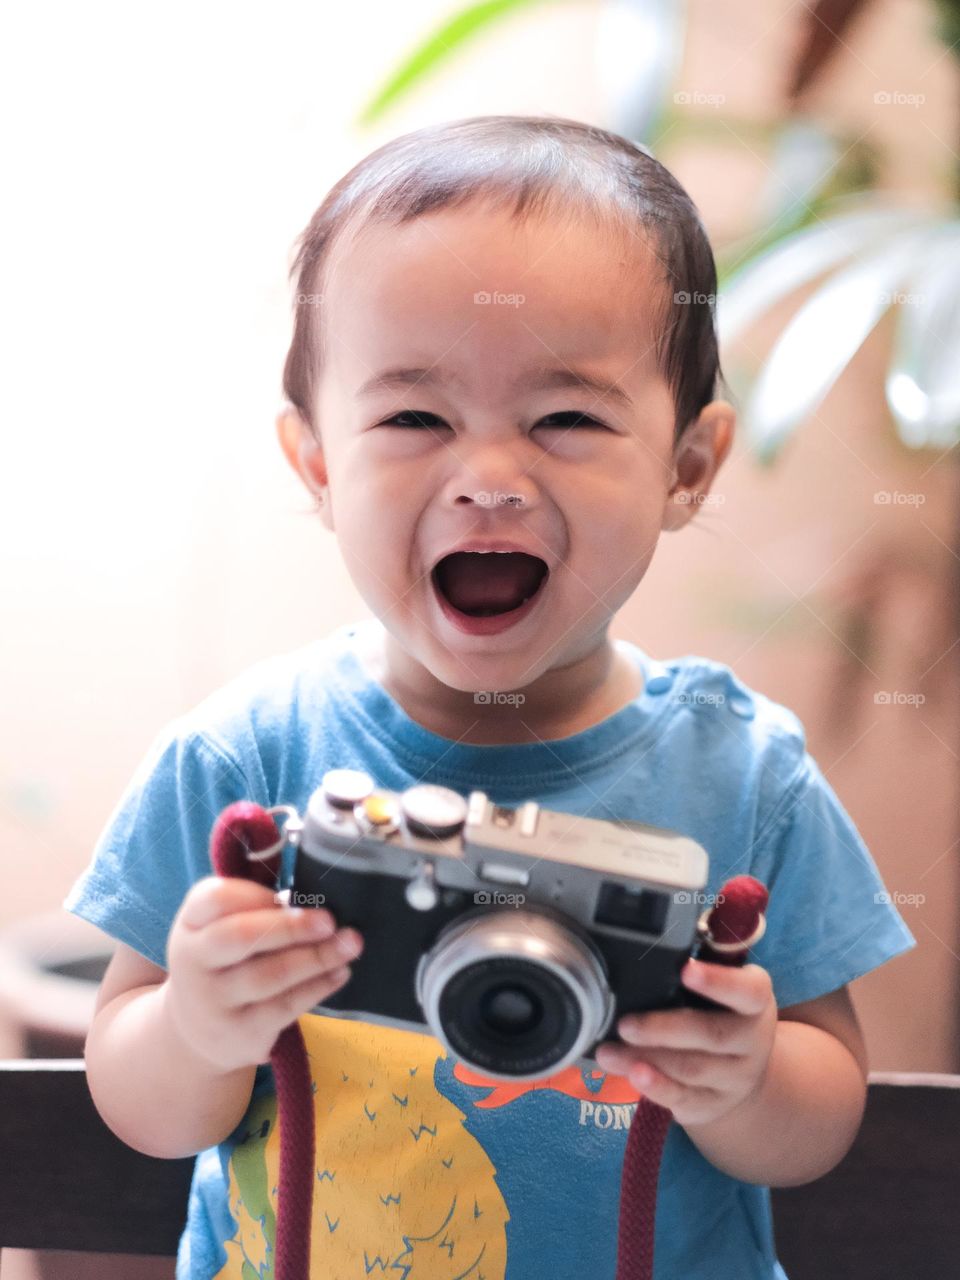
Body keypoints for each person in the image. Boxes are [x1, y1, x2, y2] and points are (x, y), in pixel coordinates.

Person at [65, 114, 916, 1280]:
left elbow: (818, 1120)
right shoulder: (244, 765)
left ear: (687, 466)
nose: (488, 481)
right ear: (318, 464)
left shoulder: (745, 778)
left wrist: (754, 1076)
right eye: (415, 417)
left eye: (565, 418)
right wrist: (198, 1028)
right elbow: (141, 1100)